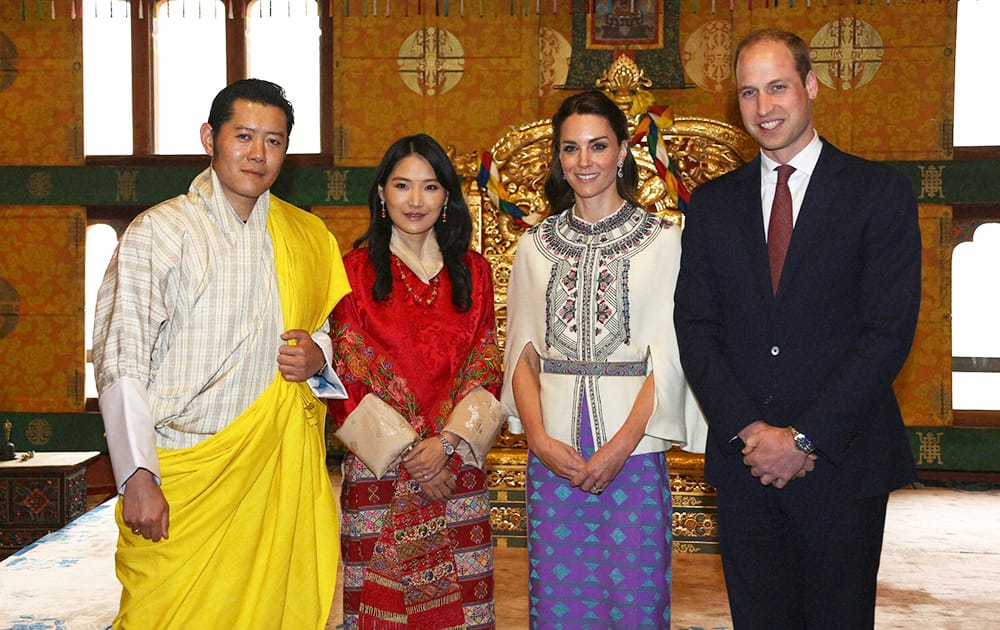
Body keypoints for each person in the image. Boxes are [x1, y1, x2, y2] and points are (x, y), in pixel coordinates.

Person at [673, 29, 921, 629]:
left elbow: (886, 332)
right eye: (749, 93)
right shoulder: (710, 205)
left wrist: (804, 438)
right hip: (745, 466)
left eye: (778, 87)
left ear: (810, 86)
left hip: (843, 463)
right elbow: (696, 328)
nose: (765, 108)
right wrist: (752, 432)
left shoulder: (877, 193)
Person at [92, 78, 350, 629]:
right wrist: (137, 475)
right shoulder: (158, 232)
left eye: (275, 141)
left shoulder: (306, 236)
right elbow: (121, 356)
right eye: (245, 136)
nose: (258, 154)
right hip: (181, 475)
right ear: (211, 137)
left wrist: (318, 360)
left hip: (270, 479)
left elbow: (327, 338)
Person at [500, 90, 706, 628]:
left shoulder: (665, 242)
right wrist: (541, 441)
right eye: (571, 149)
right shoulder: (534, 245)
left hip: (633, 452)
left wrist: (619, 447)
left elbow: (673, 358)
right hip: (555, 457)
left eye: (598, 146)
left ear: (621, 153)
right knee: (560, 599)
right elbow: (521, 356)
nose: (584, 161)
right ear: (558, 158)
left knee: (635, 599)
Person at [326, 134, 507, 629]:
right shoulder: (352, 272)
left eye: (429, 188)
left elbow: (486, 366)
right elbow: (346, 375)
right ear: (382, 193)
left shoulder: (475, 272)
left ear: (446, 197)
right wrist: (414, 456)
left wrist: (446, 444)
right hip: (379, 471)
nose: (415, 200)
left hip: (456, 472)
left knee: (464, 612)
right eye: (402, 186)